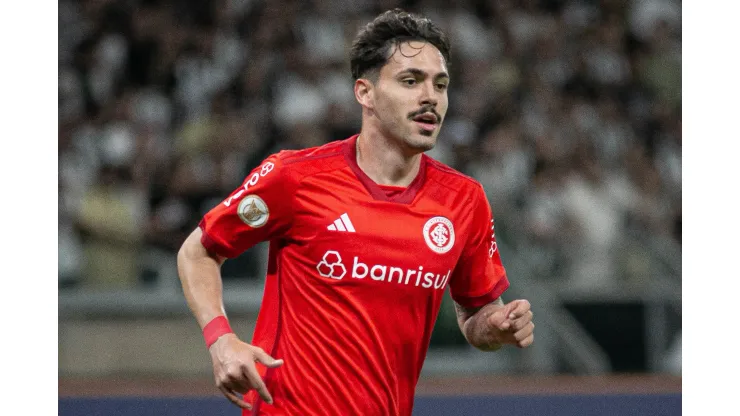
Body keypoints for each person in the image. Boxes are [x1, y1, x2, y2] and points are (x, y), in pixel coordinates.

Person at [177, 9, 534, 416]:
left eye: (441, 84)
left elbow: (476, 315)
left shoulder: (464, 200)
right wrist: (221, 339)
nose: (430, 97)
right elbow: (198, 252)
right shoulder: (294, 177)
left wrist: (498, 326)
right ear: (365, 93)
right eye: (410, 80)